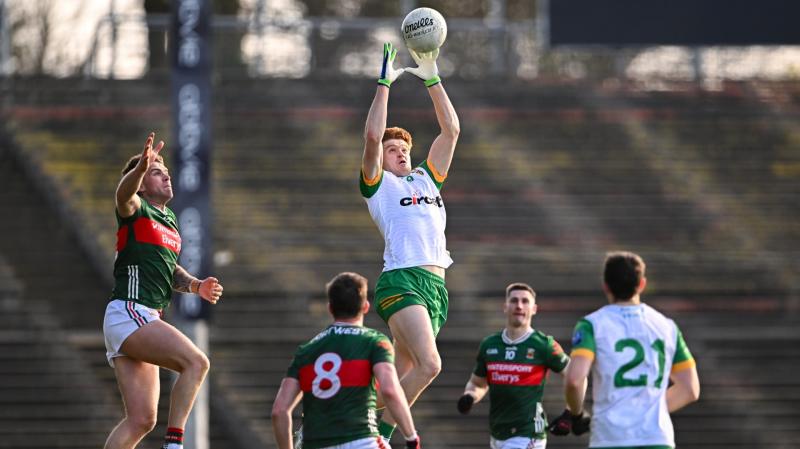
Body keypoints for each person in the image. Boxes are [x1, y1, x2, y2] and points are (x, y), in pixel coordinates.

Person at [360, 41, 460, 442]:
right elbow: (370, 136)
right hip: (401, 280)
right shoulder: (378, 184)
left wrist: (432, 77)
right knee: (430, 365)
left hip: (436, 288)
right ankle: (380, 434)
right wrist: (384, 83)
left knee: (402, 377)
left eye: (403, 148)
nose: (399, 153)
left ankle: (349, 417)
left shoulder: (426, 178)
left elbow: (451, 130)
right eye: (392, 149)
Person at [103, 132, 224, 449]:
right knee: (197, 363)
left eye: (166, 171)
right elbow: (122, 195)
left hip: (139, 317)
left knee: (141, 420)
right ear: (142, 182)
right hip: (130, 311)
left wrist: (196, 285)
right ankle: (175, 444)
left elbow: (169, 268)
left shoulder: (169, 218)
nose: (166, 176)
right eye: (157, 172)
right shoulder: (136, 207)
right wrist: (141, 167)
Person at [549, 251, 700, 448]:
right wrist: (650, 411)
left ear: (606, 286)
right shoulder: (667, 326)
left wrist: (577, 414)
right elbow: (690, 389)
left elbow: (575, 379)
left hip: (610, 438)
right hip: (656, 439)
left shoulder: (592, 325)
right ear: (642, 284)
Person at [271, 272, 421, 449]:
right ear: (365, 306)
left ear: (330, 308)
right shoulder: (374, 342)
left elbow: (279, 411)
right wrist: (411, 437)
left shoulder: (307, 351)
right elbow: (389, 390)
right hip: (362, 441)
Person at [457, 283, 570, 449]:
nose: (519, 305)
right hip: (498, 433)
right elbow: (477, 384)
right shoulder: (489, 344)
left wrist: (570, 413)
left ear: (534, 309)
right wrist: (470, 396)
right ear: (505, 306)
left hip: (529, 433)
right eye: (514, 300)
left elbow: (575, 375)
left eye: (525, 301)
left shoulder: (544, 344)